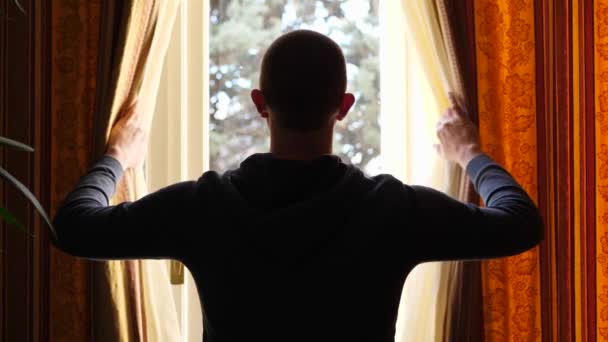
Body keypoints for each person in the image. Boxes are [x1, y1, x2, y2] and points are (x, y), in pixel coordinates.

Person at [53, 30, 543, 342]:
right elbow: (520, 224)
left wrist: (118, 157)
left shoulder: (202, 206)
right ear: (344, 106)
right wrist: (469, 155)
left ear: (259, 103)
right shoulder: (393, 209)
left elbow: (73, 228)